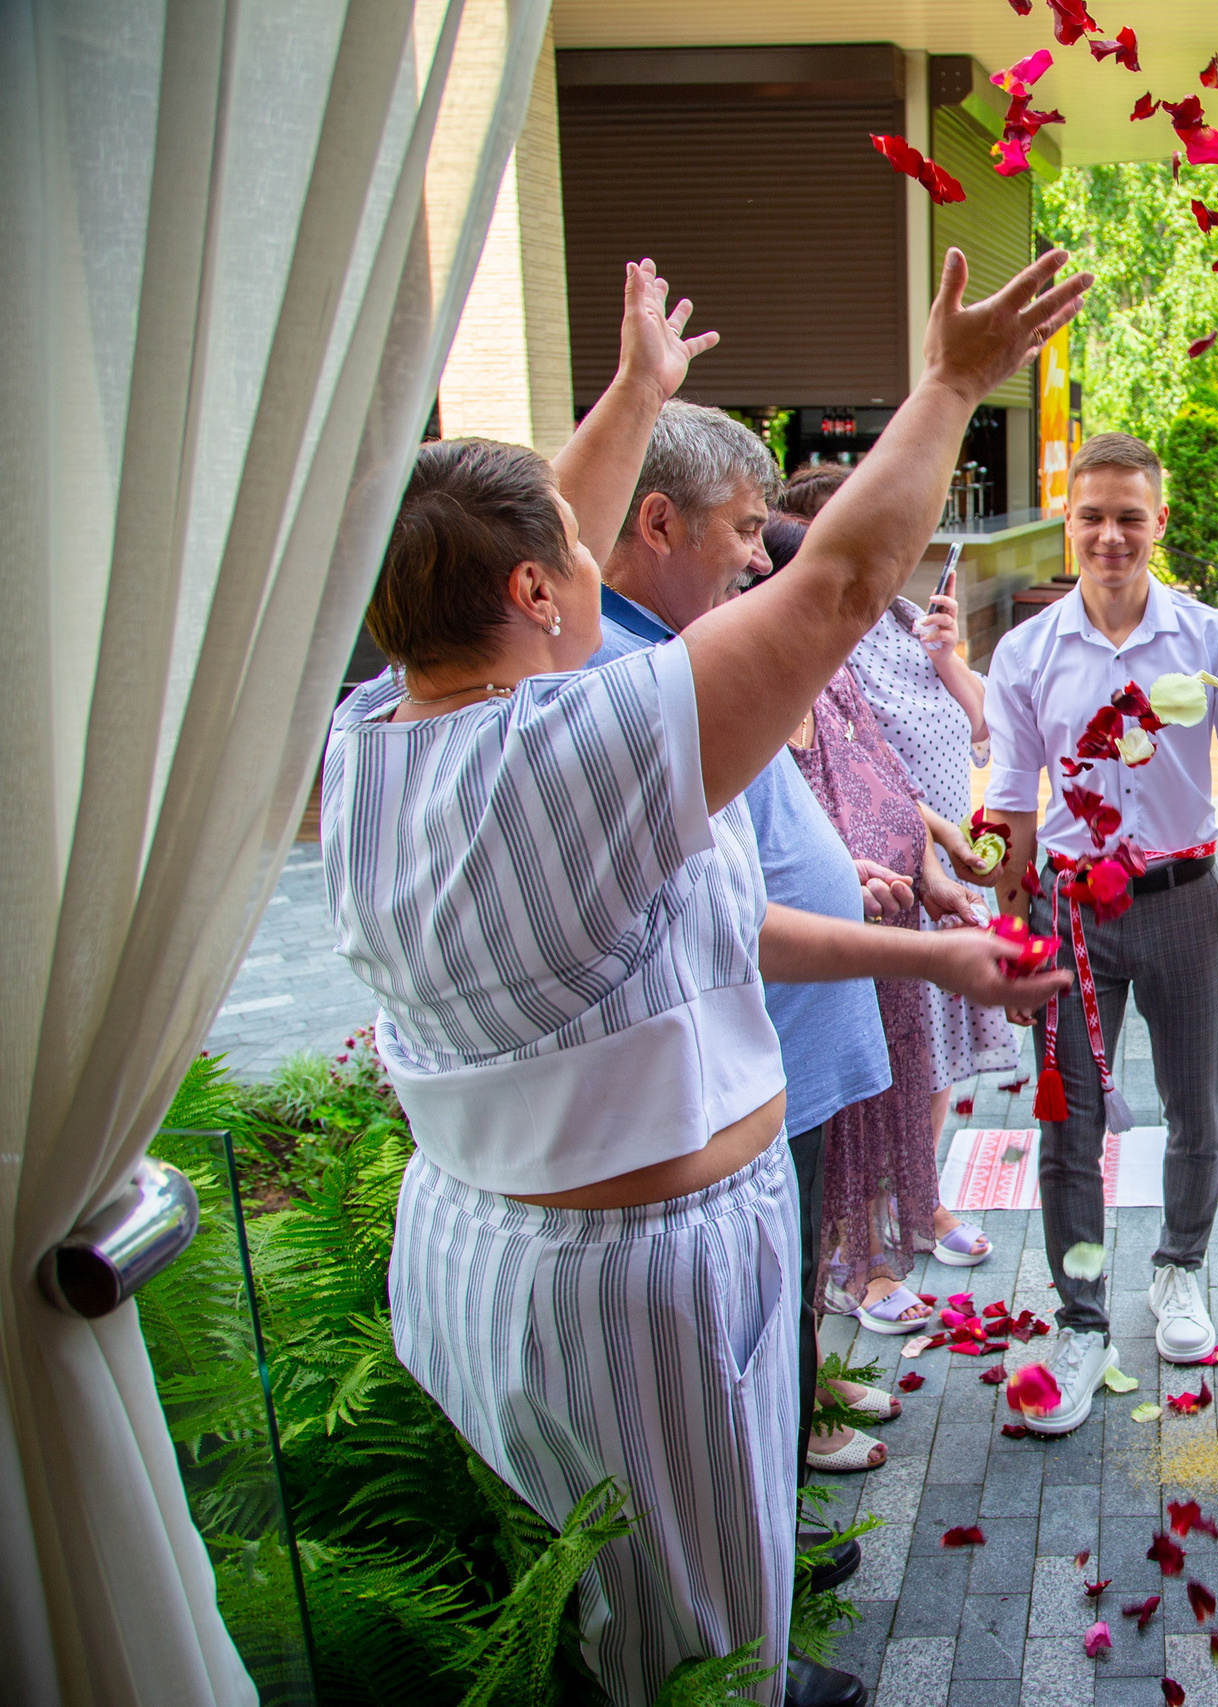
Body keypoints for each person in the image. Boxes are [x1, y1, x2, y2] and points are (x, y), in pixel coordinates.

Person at [325, 249, 1084, 1706]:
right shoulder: (568, 754)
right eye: (571, 550)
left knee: (615, 1607)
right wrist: (951, 387)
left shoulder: (377, 728)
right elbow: (846, 580)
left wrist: (633, 396)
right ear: (540, 588)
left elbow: (526, 549)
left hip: (493, 1251)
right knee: (683, 1647)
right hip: (628, 1294)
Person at [589, 412, 978, 1480]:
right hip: (763, 1017)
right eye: (746, 530)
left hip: (814, 1008)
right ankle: (784, 1433)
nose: (756, 557)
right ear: (657, 520)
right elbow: (708, 907)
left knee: (808, 1217)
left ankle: (805, 1372)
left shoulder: (681, 643)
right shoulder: (642, 668)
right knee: (778, 1235)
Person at [984, 433, 1218, 1432]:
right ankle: (1079, 1320)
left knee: (1194, 1104)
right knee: (1066, 1120)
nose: (1110, 534)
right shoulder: (1025, 653)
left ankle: (1180, 1269)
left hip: (1179, 899)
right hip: (1071, 912)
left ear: (1158, 522)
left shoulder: (1211, 641)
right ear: (1066, 524)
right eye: (1092, 516)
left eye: (1130, 515)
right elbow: (1007, 801)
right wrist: (1006, 923)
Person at [760, 512, 989, 1361]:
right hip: (810, 971)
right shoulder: (756, 699)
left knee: (872, 1118)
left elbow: (888, 779)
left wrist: (931, 872)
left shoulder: (833, 679)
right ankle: (830, 1335)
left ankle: (817, 1375)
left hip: (883, 937)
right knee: (820, 1157)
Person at [780, 469, 1024, 1148]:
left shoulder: (907, 620)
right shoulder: (824, 640)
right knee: (897, 1049)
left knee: (938, 1041)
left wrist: (950, 661)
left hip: (941, 865)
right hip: (881, 871)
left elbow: (985, 732)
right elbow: (865, 772)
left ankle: (924, 1194)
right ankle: (896, 1203)